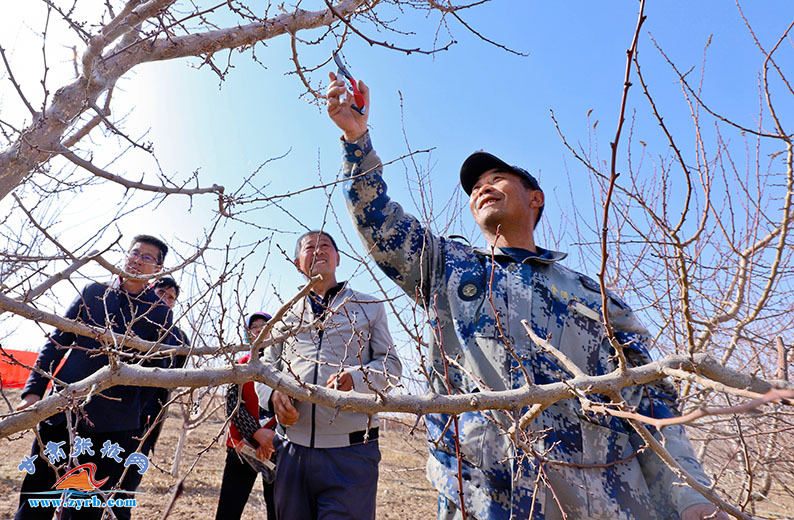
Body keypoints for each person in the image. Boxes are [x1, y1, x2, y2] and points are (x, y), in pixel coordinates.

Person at [325, 75, 730, 520]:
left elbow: (650, 406)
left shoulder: (595, 298)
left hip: (599, 502)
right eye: (475, 186)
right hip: (483, 500)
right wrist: (357, 139)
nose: (482, 187)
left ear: (534, 198)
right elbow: (378, 223)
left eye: (497, 178)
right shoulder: (449, 268)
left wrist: (692, 499)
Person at [14, 235, 173, 520]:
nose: (137, 260)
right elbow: (57, 341)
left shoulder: (159, 313)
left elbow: (156, 376)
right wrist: (34, 391)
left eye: (147, 257)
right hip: (62, 411)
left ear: (158, 269)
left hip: (111, 428)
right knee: (35, 500)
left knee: (83, 509)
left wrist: (133, 414)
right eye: (134, 253)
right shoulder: (93, 291)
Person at [255, 230, 402, 520]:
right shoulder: (285, 314)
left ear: (338, 258)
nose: (318, 251)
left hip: (351, 454)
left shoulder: (369, 306)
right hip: (291, 450)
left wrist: (357, 378)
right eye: (309, 247)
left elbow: (391, 365)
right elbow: (265, 368)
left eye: (325, 246)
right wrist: (272, 393)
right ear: (298, 262)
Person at [116, 276, 189, 520]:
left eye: (171, 298)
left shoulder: (179, 338)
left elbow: (174, 378)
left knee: (126, 489)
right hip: (110, 418)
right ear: (149, 291)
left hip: (146, 422)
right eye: (161, 293)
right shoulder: (126, 320)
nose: (166, 300)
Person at [215, 312, 277, 520]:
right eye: (254, 327)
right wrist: (256, 434)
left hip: (276, 448)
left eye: (265, 326)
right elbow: (233, 405)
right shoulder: (241, 364)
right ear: (248, 334)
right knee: (229, 510)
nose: (259, 330)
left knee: (277, 511)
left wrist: (271, 438)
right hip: (241, 448)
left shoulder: (284, 368)